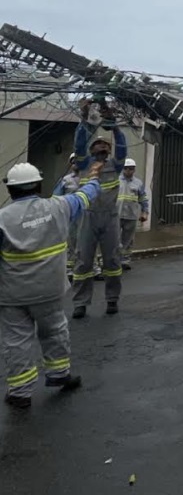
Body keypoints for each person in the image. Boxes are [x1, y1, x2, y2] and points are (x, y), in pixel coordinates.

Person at [0, 161, 101, 408]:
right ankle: (59, 375)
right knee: (54, 331)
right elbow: (85, 196)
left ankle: (20, 393)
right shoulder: (59, 207)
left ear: (10, 190)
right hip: (50, 290)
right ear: (38, 185)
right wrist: (93, 177)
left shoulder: (2, 219)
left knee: (16, 341)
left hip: (12, 294)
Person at [72, 101, 127, 319]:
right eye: (98, 145)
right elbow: (79, 144)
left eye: (106, 145)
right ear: (92, 150)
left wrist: (113, 127)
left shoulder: (117, 165)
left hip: (111, 218)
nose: (102, 147)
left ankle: (112, 299)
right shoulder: (85, 165)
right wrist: (85, 120)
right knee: (83, 261)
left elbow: (122, 145)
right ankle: (80, 303)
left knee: (112, 261)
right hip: (88, 217)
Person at [118, 158, 149, 269]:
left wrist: (145, 212)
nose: (129, 171)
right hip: (117, 214)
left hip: (131, 215)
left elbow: (143, 198)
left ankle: (124, 260)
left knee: (128, 239)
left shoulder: (138, 183)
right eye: (126, 169)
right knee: (114, 239)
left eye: (131, 169)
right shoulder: (116, 181)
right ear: (123, 169)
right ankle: (112, 260)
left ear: (134, 170)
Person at [53, 153, 82, 273]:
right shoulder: (65, 180)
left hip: (87, 215)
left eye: (78, 161)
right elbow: (56, 198)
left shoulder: (90, 178)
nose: (76, 163)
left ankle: (92, 268)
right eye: (73, 161)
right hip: (70, 216)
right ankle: (70, 269)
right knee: (71, 242)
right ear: (70, 164)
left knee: (89, 243)